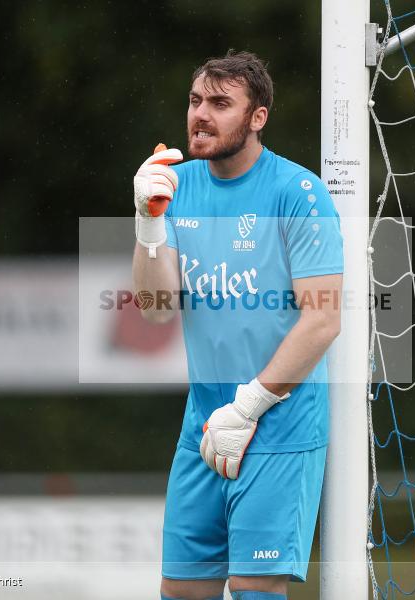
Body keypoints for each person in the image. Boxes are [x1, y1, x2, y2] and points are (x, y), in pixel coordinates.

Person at [131, 50, 344, 600]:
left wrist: (248, 407)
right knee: (182, 590)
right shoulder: (176, 187)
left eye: (221, 104)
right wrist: (148, 223)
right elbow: (155, 308)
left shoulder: (297, 193)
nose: (201, 114)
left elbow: (323, 320)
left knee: (254, 587)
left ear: (257, 117)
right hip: (203, 426)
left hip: (278, 425)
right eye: (195, 100)